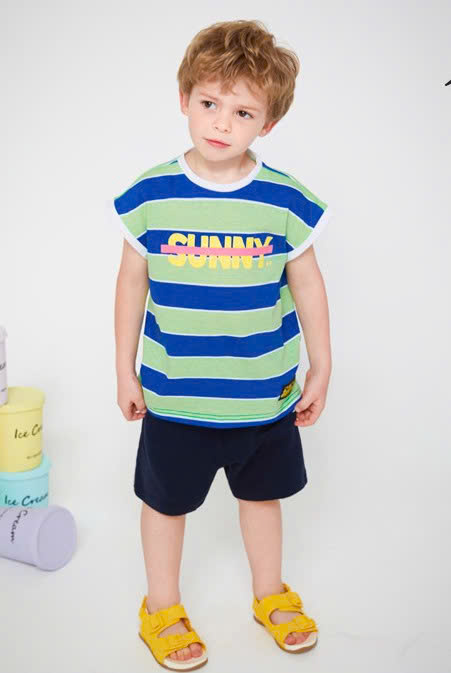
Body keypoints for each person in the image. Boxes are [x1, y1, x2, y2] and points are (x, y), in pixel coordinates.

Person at [112, 19, 333, 671]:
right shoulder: (150, 195)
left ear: (267, 123)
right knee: (164, 503)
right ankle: (160, 606)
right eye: (209, 102)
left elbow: (309, 285)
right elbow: (130, 285)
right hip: (175, 395)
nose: (221, 123)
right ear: (184, 98)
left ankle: (270, 594)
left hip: (263, 396)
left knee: (261, 498)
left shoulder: (285, 200)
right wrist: (123, 369)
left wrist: (322, 365)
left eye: (242, 112)